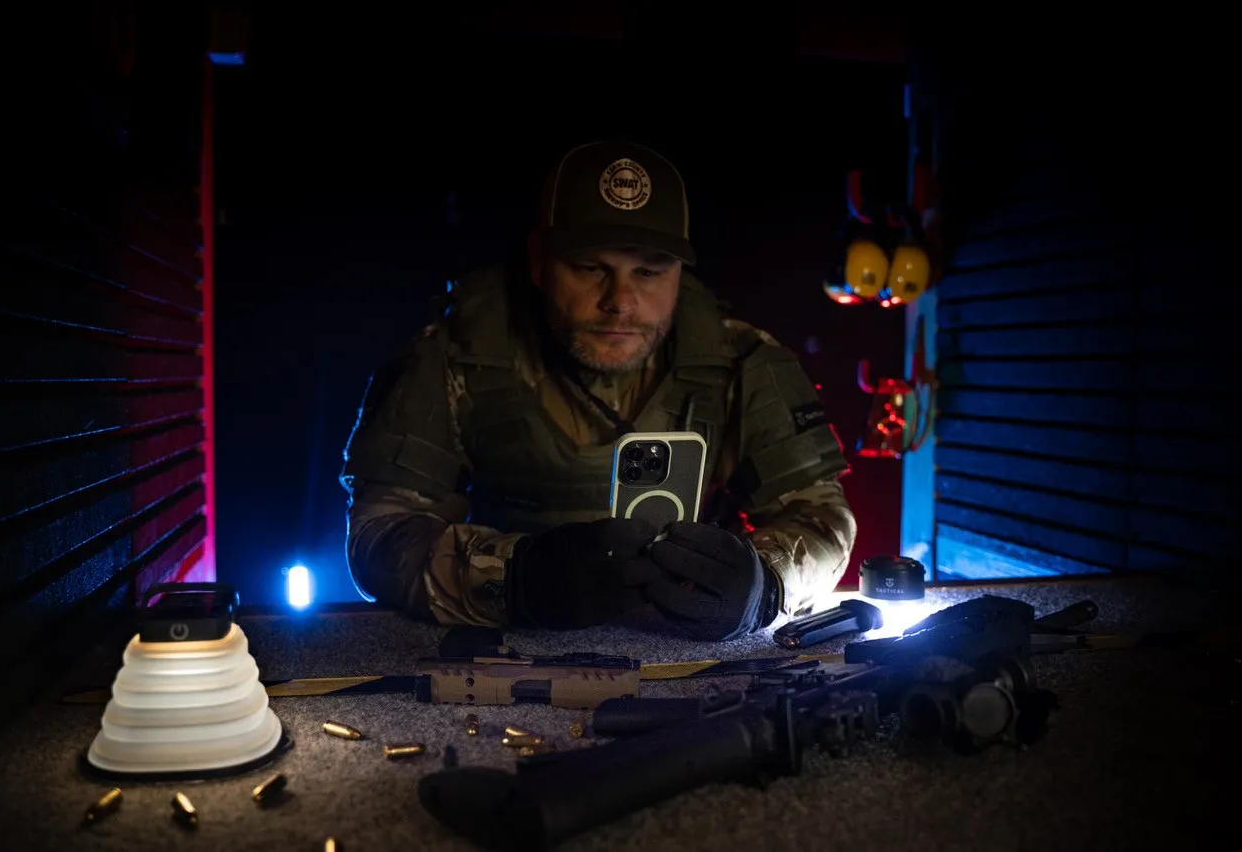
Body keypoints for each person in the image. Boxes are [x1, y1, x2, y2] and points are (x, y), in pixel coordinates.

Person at [339, 139, 857, 642]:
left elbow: (821, 517)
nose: (620, 301)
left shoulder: (739, 360)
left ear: (679, 273)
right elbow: (379, 533)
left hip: (681, 646)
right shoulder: (456, 355)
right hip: (509, 642)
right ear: (539, 260)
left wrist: (765, 585)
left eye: (649, 271)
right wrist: (516, 578)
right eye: (590, 268)